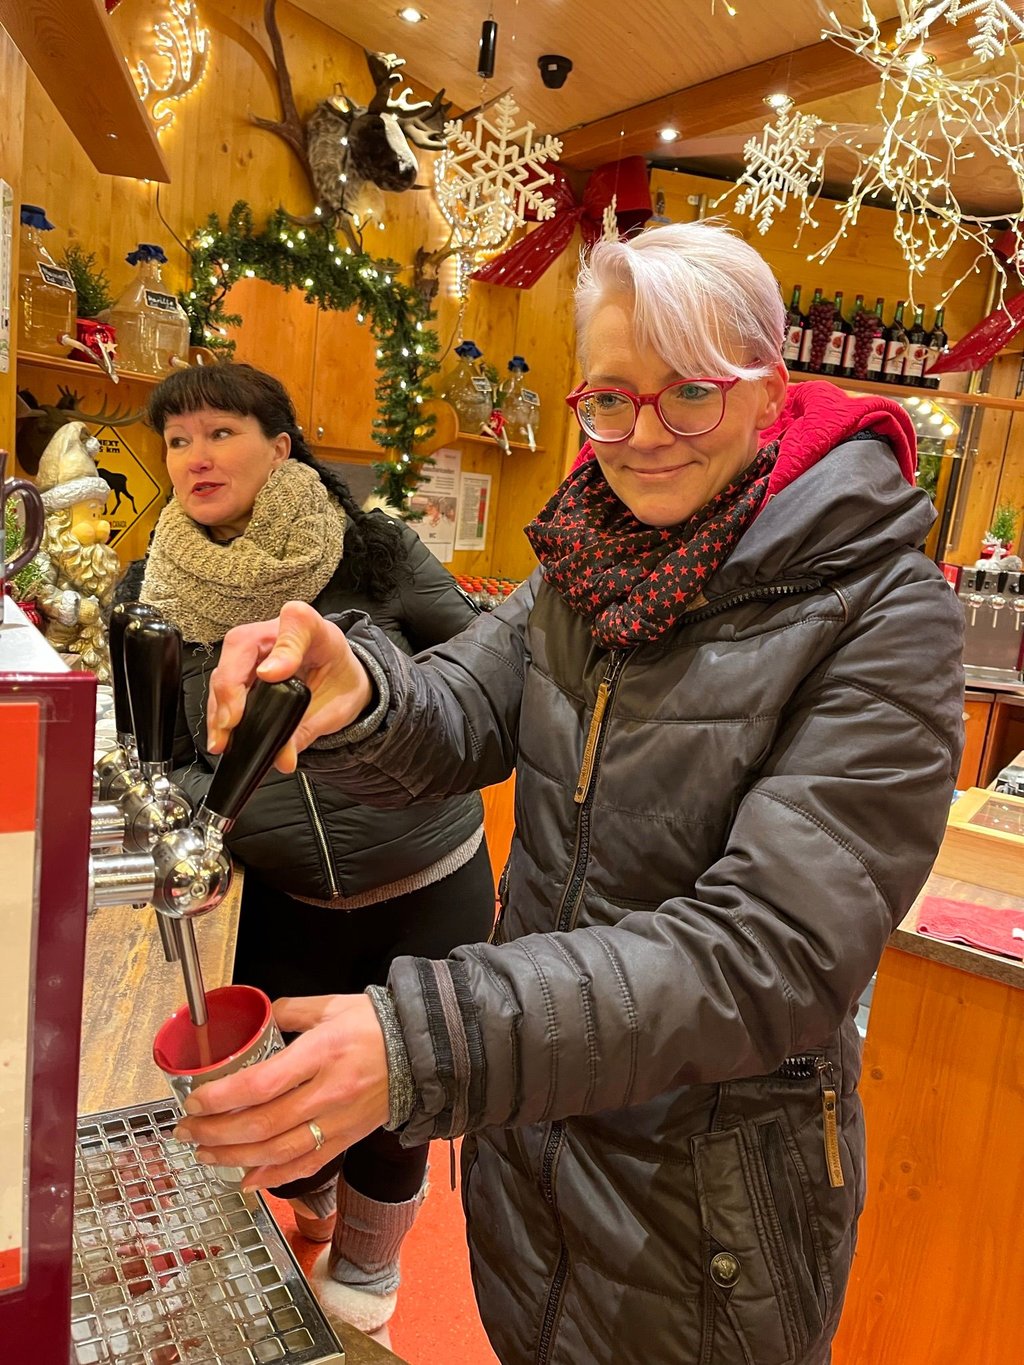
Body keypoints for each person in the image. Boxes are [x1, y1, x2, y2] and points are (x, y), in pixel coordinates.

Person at [174, 224, 965, 1365]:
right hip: (537, 1151)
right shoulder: (585, 563)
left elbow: (774, 956)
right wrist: (361, 694)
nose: (640, 439)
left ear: (769, 393)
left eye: (687, 394)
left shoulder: (882, 612)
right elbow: (462, 713)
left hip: (707, 1205)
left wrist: (426, 1041)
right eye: (608, 399)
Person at [138, 362, 495, 1343]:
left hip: (427, 877)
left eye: (221, 432)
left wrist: (365, 677)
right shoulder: (153, 591)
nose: (196, 456)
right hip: (279, 898)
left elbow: (474, 668)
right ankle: (319, 1195)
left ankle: (368, 1282)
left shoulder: (371, 549)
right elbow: (157, 751)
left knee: (405, 1086)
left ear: (282, 448)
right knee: (285, 1090)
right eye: (177, 440)